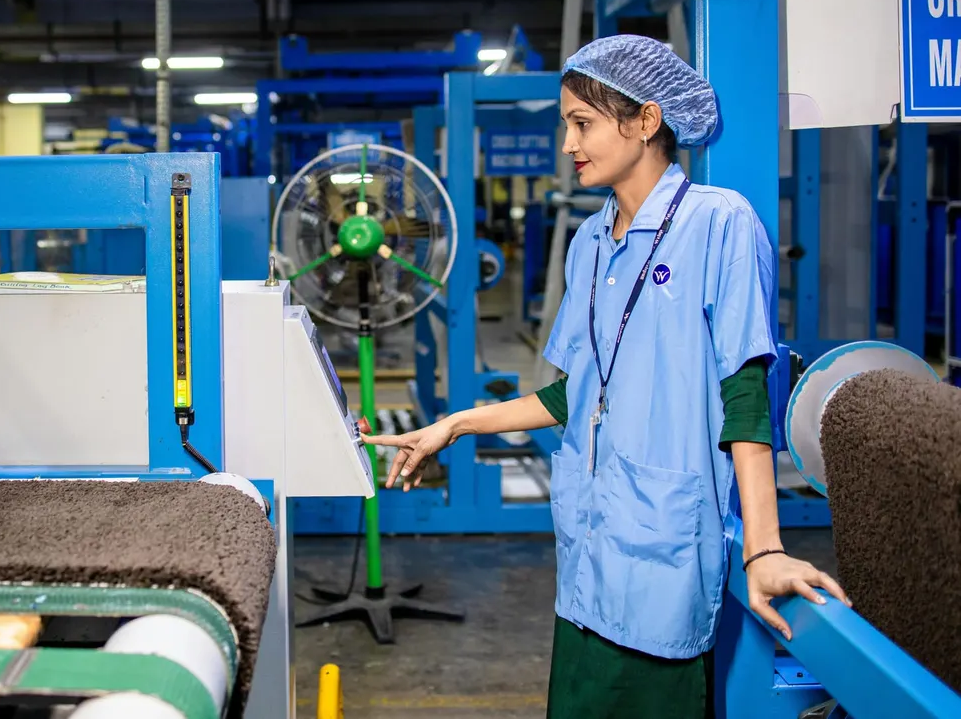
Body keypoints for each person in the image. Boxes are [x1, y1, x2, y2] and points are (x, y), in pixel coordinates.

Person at [363, 35, 849, 719]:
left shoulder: (719, 224)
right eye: (568, 123)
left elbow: (744, 394)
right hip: (585, 566)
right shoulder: (593, 242)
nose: (568, 143)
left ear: (647, 121)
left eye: (581, 122)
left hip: (665, 558)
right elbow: (576, 393)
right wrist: (454, 425)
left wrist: (764, 547)